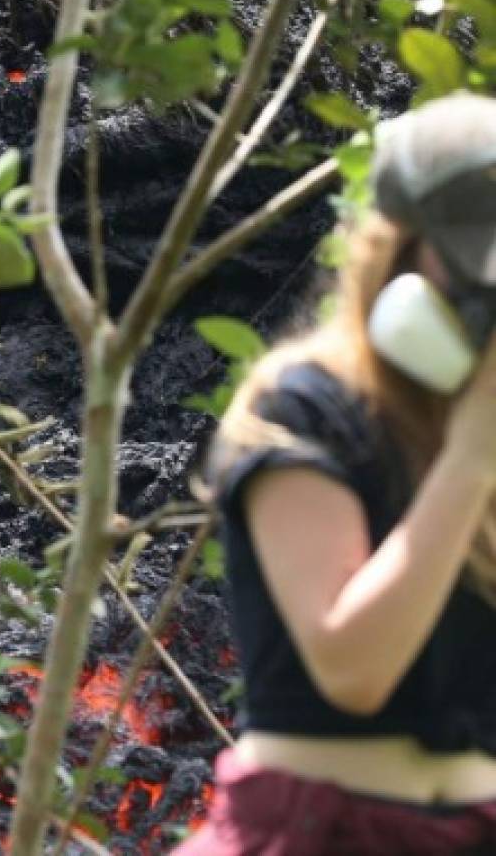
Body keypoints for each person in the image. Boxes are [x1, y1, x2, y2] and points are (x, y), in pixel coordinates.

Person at [174, 90, 496, 855]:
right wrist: (469, 459)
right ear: (398, 254)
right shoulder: (301, 410)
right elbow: (352, 671)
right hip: (315, 832)